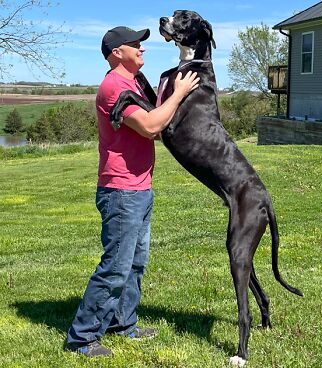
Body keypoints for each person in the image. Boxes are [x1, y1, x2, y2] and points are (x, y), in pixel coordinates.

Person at [64, 26, 199, 357]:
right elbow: (152, 125)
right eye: (135, 45)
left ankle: (123, 323)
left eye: (142, 44)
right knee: (115, 266)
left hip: (140, 186)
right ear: (116, 53)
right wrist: (179, 92)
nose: (142, 49)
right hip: (121, 190)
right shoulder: (114, 87)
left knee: (135, 263)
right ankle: (81, 337)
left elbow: (156, 118)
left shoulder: (135, 82)